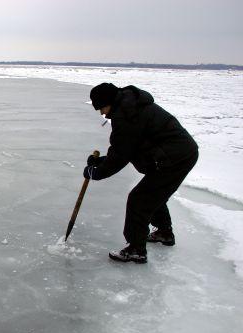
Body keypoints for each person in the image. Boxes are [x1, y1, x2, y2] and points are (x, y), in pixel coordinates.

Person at [84, 83, 198, 263]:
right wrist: (101, 161)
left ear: (109, 102)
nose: (102, 113)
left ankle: (136, 249)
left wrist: (97, 173)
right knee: (152, 195)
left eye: (101, 107)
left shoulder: (127, 115)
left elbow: (122, 153)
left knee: (140, 199)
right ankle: (164, 233)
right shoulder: (130, 106)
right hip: (173, 154)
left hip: (174, 158)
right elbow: (127, 148)